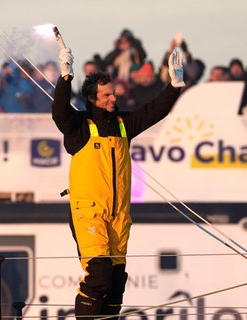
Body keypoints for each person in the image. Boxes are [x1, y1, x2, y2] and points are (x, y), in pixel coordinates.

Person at [52, 43, 184, 320]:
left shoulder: (124, 124)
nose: (114, 98)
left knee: (115, 283)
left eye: (113, 93)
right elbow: (60, 113)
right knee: (98, 275)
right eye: (107, 95)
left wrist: (175, 84)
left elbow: (154, 111)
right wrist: (66, 76)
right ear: (92, 98)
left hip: (118, 217)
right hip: (89, 213)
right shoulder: (79, 126)